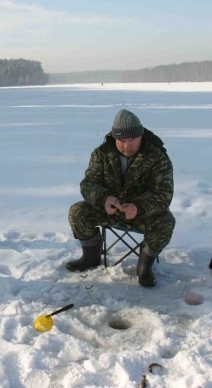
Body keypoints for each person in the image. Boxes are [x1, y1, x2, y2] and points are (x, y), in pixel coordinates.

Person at [65, 109, 175, 287]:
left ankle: (144, 267)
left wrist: (139, 206)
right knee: (77, 212)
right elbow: (88, 184)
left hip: (141, 214)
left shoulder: (157, 158)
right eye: (121, 140)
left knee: (166, 221)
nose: (126, 145)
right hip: (109, 211)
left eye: (131, 140)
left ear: (140, 136)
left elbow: (163, 194)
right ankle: (91, 257)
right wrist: (103, 199)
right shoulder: (101, 154)